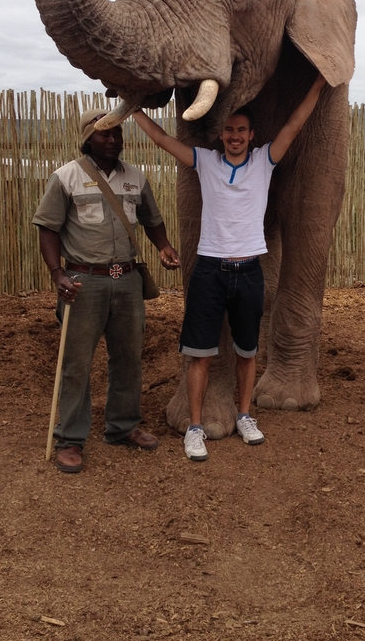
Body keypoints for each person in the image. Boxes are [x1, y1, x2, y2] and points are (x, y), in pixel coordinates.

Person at [132, 73, 326, 461]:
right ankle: (195, 427)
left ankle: (244, 416)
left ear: (251, 135)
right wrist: (134, 109)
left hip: (249, 271)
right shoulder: (205, 161)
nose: (234, 136)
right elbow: (164, 140)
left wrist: (318, 85)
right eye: (229, 130)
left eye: (241, 130)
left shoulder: (264, 161)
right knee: (201, 353)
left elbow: (294, 124)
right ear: (220, 135)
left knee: (246, 351)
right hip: (209, 270)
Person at [33, 108, 180, 474]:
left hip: (127, 280)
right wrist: (57, 274)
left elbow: (151, 219)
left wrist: (163, 246)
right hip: (83, 282)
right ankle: (70, 438)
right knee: (76, 363)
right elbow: (48, 228)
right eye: (104, 134)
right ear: (88, 139)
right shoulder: (66, 178)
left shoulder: (135, 177)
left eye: (117, 133)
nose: (113, 140)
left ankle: (123, 426)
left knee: (128, 358)